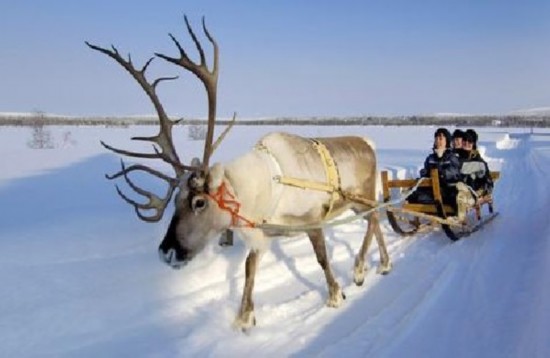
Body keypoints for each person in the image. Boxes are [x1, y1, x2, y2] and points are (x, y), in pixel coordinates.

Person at [408, 128, 461, 207]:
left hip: (447, 189)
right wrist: (425, 173)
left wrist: (441, 173)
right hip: (431, 189)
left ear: (447, 141)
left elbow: (454, 172)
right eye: (436, 138)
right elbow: (425, 171)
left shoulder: (452, 157)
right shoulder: (430, 158)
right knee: (413, 194)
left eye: (441, 138)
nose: (438, 141)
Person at [454, 129, 494, 221]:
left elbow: (486, 179)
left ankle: (461, 221)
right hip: (457, 189)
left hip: (474, 191)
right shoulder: (457, 156)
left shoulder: (478, 160)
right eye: (464, 140)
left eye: (470, 141)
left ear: (474, 144)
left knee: (461, 195)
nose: (466, 143)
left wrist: (483, 193)